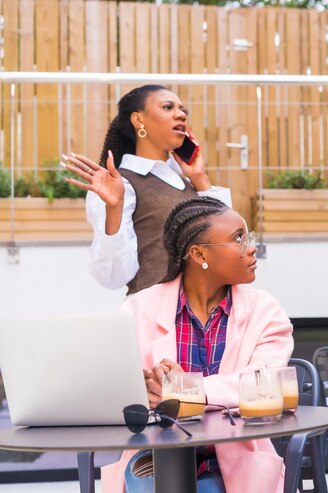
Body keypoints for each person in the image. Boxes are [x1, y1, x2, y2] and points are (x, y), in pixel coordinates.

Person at [101, 196, 293, 493]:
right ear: (198, 253)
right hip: (157, 456)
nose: (252, 247)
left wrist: (186, 390)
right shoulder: (136, 310)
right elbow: (116, 390)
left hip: (236, 456)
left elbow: (262, 385)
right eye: (238, 239)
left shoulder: (265, 311)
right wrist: (146, 387)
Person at [62, 85, 231, 295]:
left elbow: (228, 240)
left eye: (183, 111)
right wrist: (114, 207)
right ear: (138, 120)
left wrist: (200, 178)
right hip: (158, 317)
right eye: (168, 107)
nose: (181, 115)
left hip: (209, 311)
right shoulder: (121, 184)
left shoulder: (187, 181)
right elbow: (113, 277)